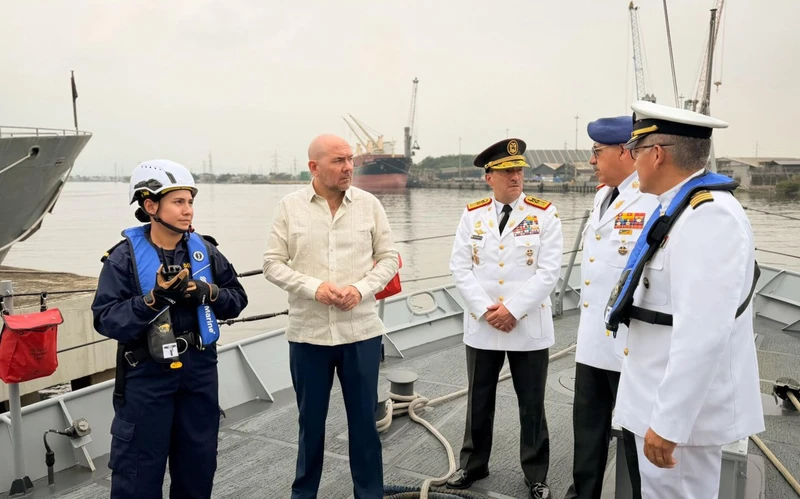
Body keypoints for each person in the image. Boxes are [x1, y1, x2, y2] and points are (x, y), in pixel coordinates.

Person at [605, 101, 765, 498]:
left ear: (656, 154)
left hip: (681, 418)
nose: (634, 161)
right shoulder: (676, 208)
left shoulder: (708, 217)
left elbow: (703, 334)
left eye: (636, 151)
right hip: (658, 399)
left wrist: (670, 422)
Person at [92, 159, 248, 498]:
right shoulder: (123, 259)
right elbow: (105, 317)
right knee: (137, 472)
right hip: (146, 375)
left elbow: (238, 298)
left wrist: (210, 292)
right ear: (150, 205)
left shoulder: (205, 252)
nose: (188, 210)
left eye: (190, 202)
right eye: (179, 202)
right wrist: (153, 300)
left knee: (198, 465)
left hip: (200, 372)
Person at [262, 134, 399, 499]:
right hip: (309, 336)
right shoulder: (290, 207)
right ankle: (304, 495)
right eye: (339, 161)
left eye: (350, 159)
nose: (349, 167)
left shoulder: (369, 205)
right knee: (310, 425)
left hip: (361, 333)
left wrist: (360, 289)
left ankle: (369, 494)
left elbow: (389, 259)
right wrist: (314, 287)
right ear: (314, 167)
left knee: (365, 425)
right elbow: (271, 264)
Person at [447, 138, 562, 499]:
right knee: (478, 399)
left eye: (519, 170)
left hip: (526, 325)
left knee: (531, 402)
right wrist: (486, 310)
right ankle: (472, 464)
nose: (515, 176)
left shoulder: (545, 214)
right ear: (488, 177)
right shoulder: (472, 214)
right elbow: (459, 268)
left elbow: (549, 272)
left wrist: (512, 310)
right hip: (483, 326)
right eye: (506, 171)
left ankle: (536, 474)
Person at [564, 116, 656, 499]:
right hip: (592, 342)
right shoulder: (603, 195)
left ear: (624, 151)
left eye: (597, 152)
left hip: (630, 344)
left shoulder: (653, 200)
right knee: (587, 430)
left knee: (636, 437)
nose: (591, 160)